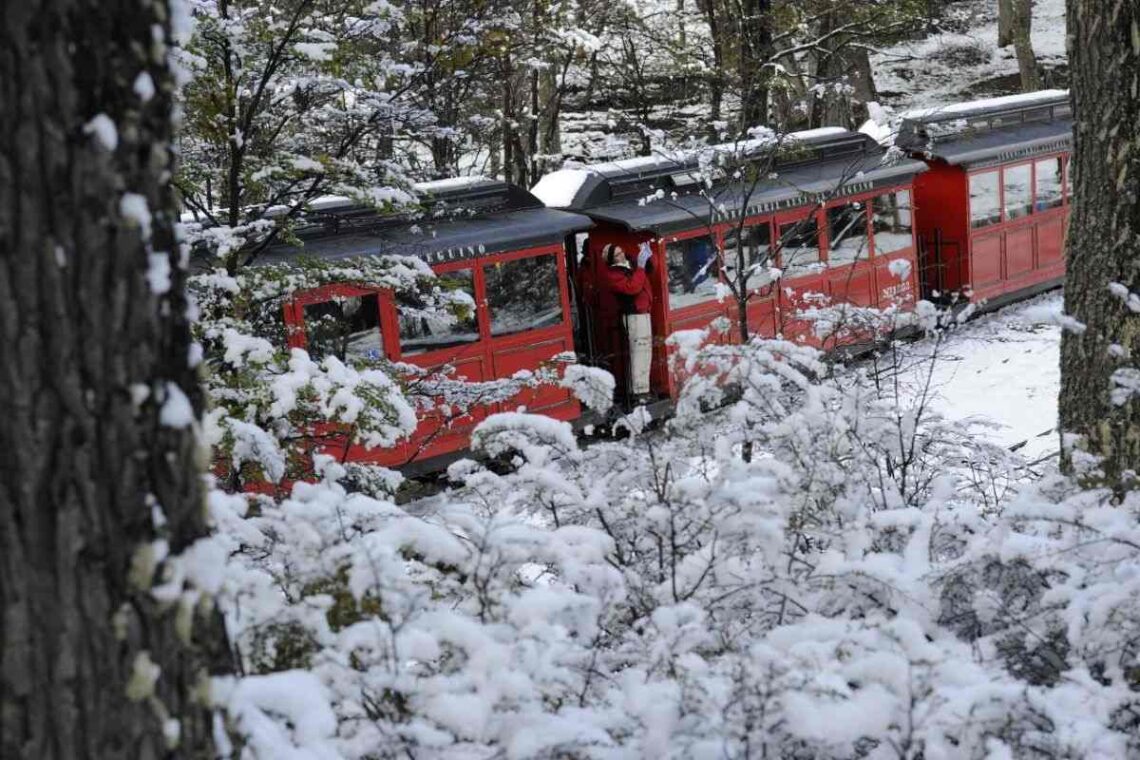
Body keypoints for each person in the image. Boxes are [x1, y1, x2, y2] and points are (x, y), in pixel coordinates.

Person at [599, 241, 654, 401]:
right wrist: (641, 267)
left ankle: (639, 389)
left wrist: (648, 256)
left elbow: (650, 270)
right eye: (617, 254)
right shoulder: (612, 274)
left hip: (642, 312)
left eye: (621, 251)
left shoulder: (630, 265)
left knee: (644, 352)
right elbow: (632, 287)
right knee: (640, 353)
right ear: (611, 259)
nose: (621, 255)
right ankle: (639, 392)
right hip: (633, 315)